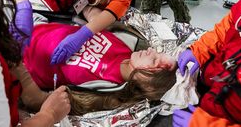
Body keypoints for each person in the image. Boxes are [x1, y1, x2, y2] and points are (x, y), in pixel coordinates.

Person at [18, 23, 177, 115]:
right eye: (157, 53)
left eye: (154, 59)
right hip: (29, 29)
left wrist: (16, 67)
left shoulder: (105, 92)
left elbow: (39, 100)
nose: (151, 51)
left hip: (18, 63)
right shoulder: (129, 42)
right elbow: (96, 15)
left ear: (148, 82)